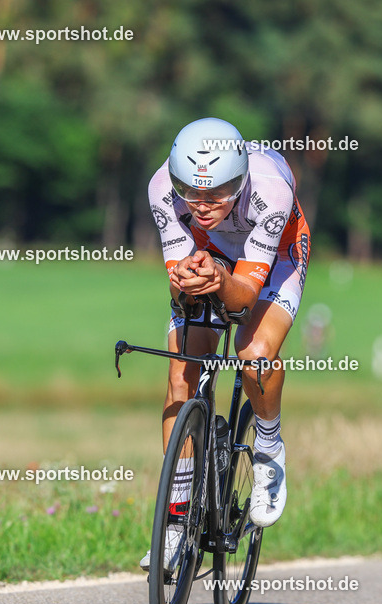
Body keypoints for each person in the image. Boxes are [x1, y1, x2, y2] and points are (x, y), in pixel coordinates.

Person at [140, 117, 311, 571]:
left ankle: (269, 449)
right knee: (181, 372)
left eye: (217, 193)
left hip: (274, 256)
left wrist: (220, 282)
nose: (201, 204)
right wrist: (187, 282)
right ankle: (175, 522)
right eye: (191, 192)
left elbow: (243, 300)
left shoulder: (271, 191)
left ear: (239, 180)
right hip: (210, 252)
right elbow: (178, 289)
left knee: (253, 356)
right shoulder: (161, 188)